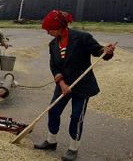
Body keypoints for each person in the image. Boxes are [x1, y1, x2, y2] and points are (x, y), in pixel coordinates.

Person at [34, 10, 116, 161]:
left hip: (82, 85)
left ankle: (73, 148)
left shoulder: (82, 38)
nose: (47, 33)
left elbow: (99, 52)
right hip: (63, 84)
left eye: (49, 30)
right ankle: (51, 141)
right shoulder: (53, 44)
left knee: (76, 116)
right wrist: (62, 83)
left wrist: (107, 51)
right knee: (53, 111)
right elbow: (54, 66)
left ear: (59, 28)